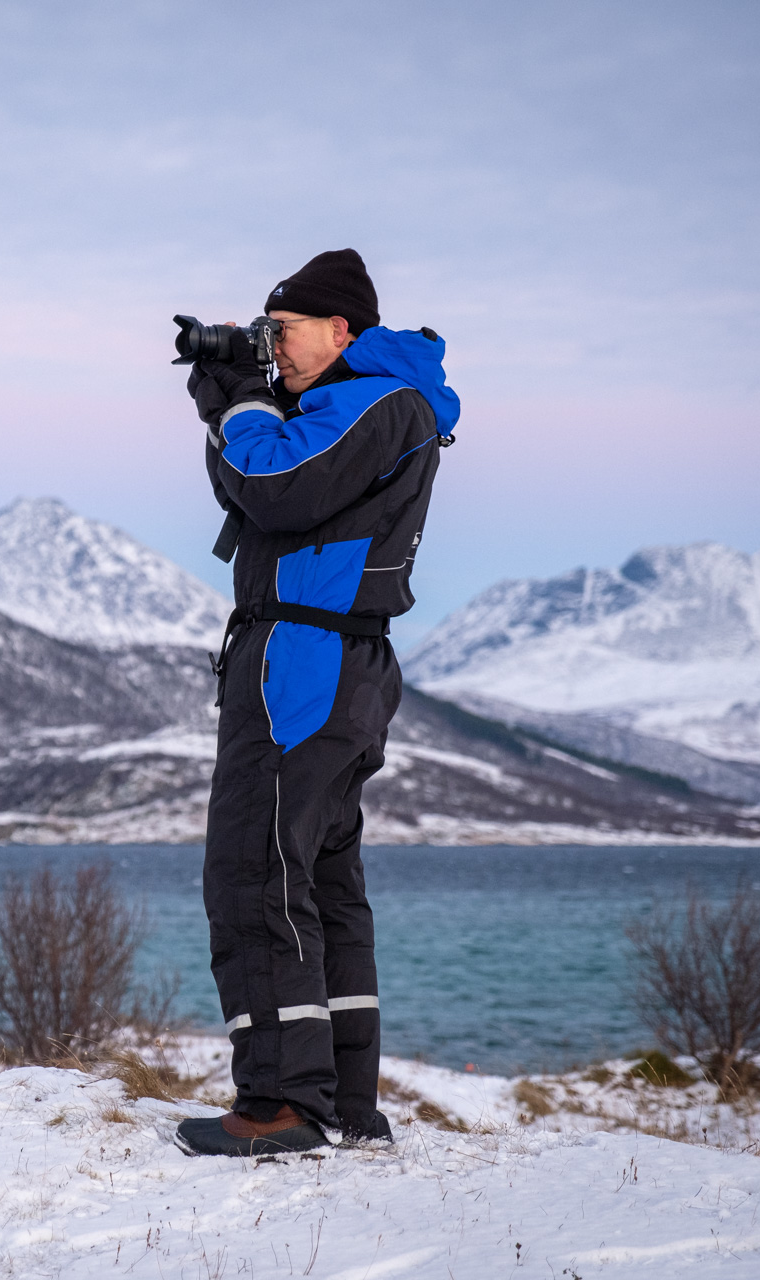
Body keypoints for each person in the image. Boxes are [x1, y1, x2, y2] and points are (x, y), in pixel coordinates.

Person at [174, 249, 459, 1157]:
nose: (274, 348)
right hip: (334, 655)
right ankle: (341, 1099)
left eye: (282, 332)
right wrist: (239, 402)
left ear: (343, 331)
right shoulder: (367, 401)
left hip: (303, 658)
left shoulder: (369, 400)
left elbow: (275, 487)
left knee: (258, 873)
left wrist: (237, 401)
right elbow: (261, 488)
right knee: (323, 884)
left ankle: (278, 1106)